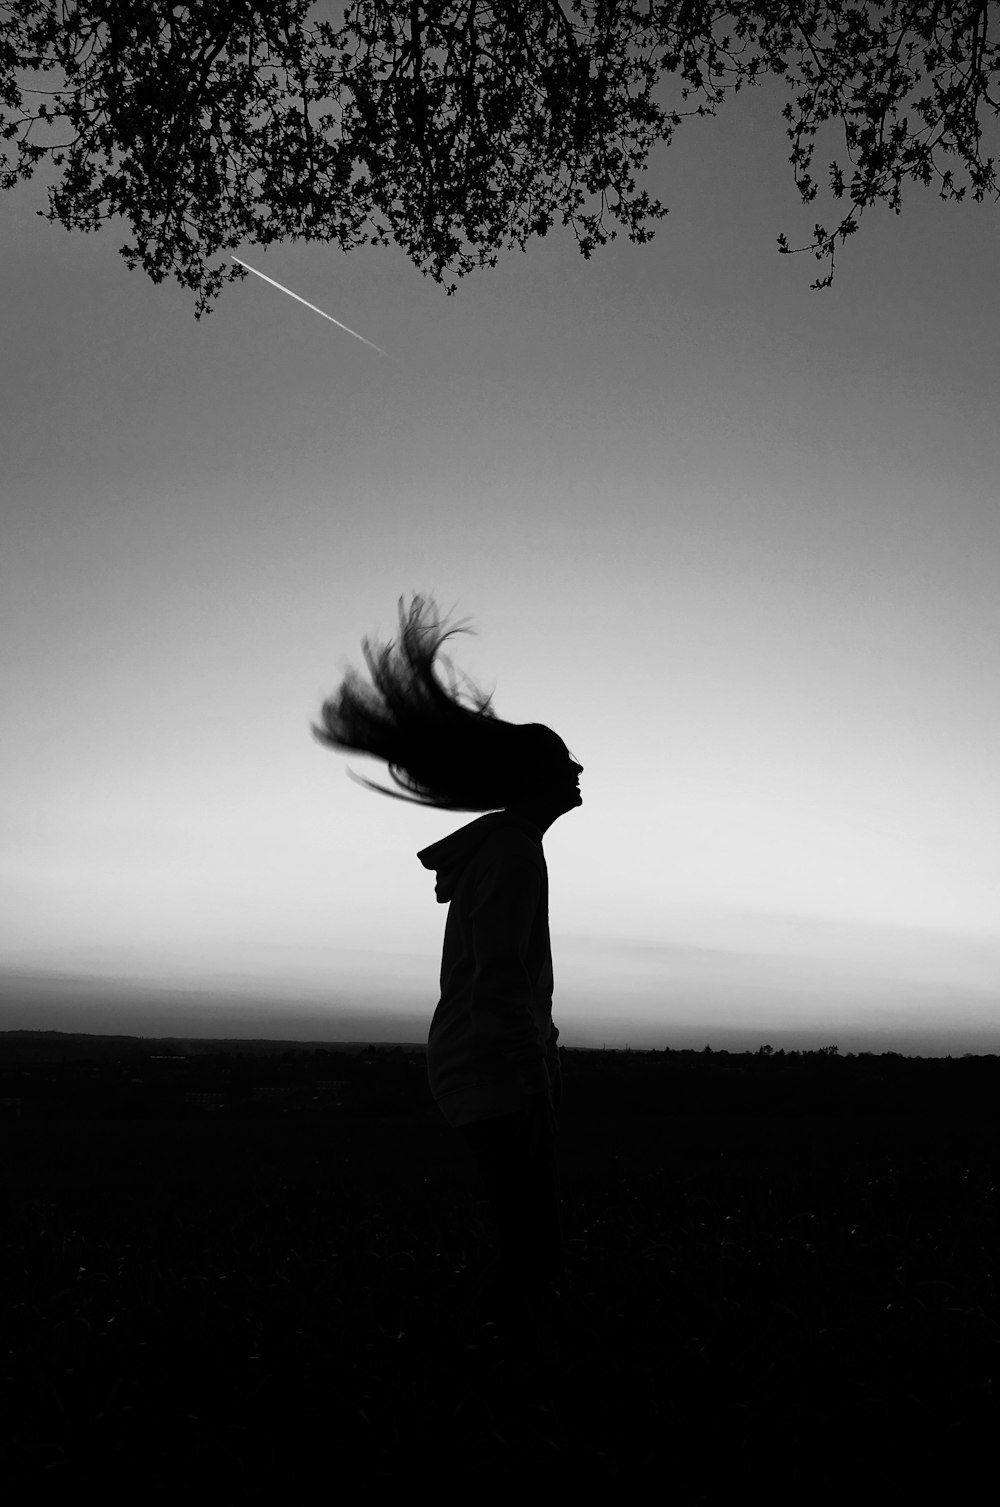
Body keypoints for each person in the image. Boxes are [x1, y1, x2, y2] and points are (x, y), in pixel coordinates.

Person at [312, 594, 583, 1358]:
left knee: (531, 1248)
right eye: (564, 757)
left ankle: (493, 1366)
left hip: (484, 1067)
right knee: (534, 1255)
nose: (579, 766)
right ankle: (481, 1367)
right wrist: (535, 1078)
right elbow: (498, 980)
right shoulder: (510, 854)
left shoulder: (506, 849)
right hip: (495, 1071)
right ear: (534, 776)